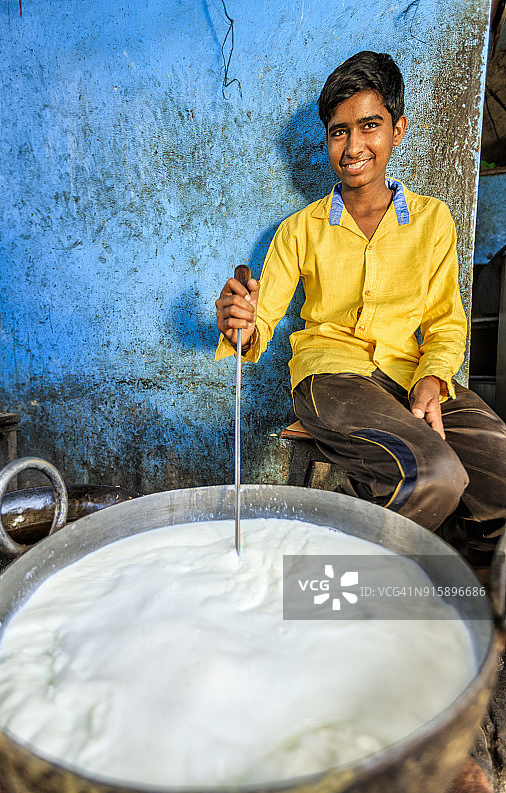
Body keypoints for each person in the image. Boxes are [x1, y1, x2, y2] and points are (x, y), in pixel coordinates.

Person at [215, 50, 506, 567]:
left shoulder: (433, 221)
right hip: (331, 380)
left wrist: (434, 379)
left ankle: (474, 589)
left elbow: (445, 323)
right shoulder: (299, 229)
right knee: (435, 474)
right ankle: (331, 592)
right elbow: (257, 324)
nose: (352, 146)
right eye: (338, 131)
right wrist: (239, 320)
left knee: (497, 468)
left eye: (369, 126)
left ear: (397, 130)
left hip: (407, 373)